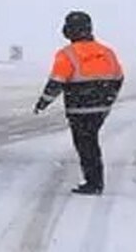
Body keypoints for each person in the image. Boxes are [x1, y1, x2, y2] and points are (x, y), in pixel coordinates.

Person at [34, 11, 125, 194]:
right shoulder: (107, 52)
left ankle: (94, 183)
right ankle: (95, 181)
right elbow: (118, 77)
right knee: (91, 142)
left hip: (79, 109)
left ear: (68, 31)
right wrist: (108, 99)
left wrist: (43, 103)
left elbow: (56, 82)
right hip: (100, 108)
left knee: (85, 145)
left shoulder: (66, 54)